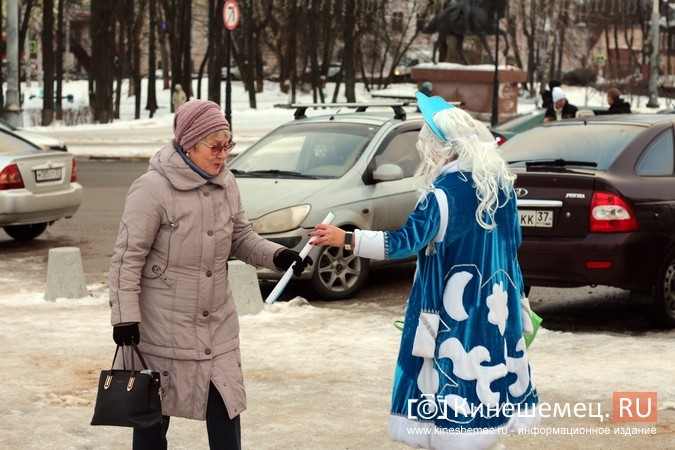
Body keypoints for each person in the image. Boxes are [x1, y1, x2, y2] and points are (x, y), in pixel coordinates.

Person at [308, 92, 540, 450]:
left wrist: (348, 239)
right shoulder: (501, 187)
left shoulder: (440, 195)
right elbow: (514, 245)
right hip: (497, 310)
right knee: (488, 388)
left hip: (449, 313)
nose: (422, 152)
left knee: (447, 388)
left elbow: (403, 241)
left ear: (440, 147)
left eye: (425, 143)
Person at [108, 99, 312, 450]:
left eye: (227, 145)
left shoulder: (226, 183)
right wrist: (124, 319)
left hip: (215, 325)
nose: (223, 155)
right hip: (161, 328)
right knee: (151, 423)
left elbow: (241, 237)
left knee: (226, 410)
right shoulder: (152, 188)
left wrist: (278, 255)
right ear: (188, 144)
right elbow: (126, 260)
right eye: (214, 147)